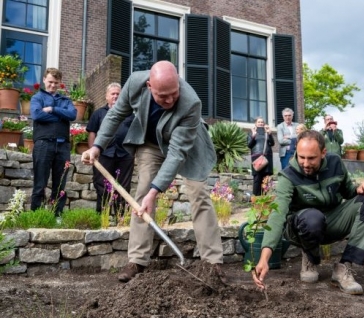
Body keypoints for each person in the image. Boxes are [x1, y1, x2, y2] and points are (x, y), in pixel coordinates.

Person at [81, 61, 226, 283]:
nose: (169, 100)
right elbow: (115, 115)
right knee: (142, 194)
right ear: (149, 86)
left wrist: (155, 191)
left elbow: (177, 152)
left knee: (199, 195)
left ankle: (213, 263)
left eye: (173, 94)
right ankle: (137, 260)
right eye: (162, 96)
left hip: (187, 147)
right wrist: (97, 146)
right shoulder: (134, 84)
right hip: (150, 143)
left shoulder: (191, 103)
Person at [252, 130, 364, 295]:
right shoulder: (288, 176)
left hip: (332, 221)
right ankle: (309, 256)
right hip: (302, 226)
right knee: (312, 218)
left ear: (323, 153)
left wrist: (360, 188)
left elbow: (348, 191)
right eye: (301, 157)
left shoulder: (335, 163)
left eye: (311, 158)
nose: (305, 163)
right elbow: (277, 215)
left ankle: (344, 267)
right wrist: (264, 259)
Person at [30, 68, 77, 215]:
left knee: (60, 185)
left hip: (63, 146)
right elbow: (37, 115)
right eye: (50, 82)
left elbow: (73, 114)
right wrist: (61, 118)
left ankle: (57, 216)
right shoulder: (37, 98)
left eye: (56, 82)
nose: (52, 85)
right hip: (43, 144)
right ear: (44, 80)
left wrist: (52, 109)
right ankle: (36, 216)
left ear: (60, 83)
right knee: (40, 183)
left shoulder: (66, 100)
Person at [86, 83, 135, 215]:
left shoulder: (130, 114)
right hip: (104, 155)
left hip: (125, 155)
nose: (115, 96)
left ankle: (121, 217)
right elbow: (92, 133)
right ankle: (103, 217)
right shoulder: (98, 114)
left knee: (124, 187)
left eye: (118, 94)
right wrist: (93, 152)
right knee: (102, 186)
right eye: (112, 94)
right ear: (106, 96)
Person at [248, 117, 275, 196]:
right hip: (256, 157)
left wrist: (270, 133)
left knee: (266, 179)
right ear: (255, 123)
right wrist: (253, 136)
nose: (261, 123)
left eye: (262, 122)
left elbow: (272, 143)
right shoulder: (251, 133)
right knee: (257, 178)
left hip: (267, 157)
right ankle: (256, 199)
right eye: (259, 122)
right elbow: (249, 145)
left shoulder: (267, 133)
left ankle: (264, 199)